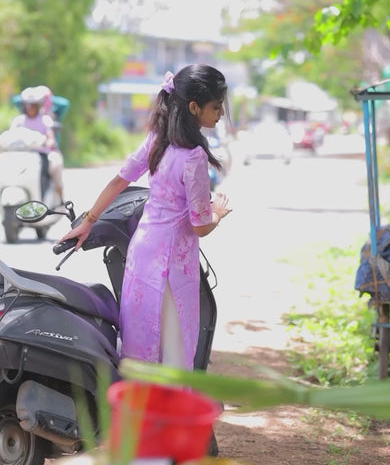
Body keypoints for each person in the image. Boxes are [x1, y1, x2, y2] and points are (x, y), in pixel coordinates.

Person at [59, 64, 232, 370]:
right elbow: (200, 225)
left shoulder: (157, 139)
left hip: (143, 252)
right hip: (174, 265)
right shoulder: (194, 157)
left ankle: (135, 406)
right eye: (216, 107)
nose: (220, 114)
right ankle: (169, 411)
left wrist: (88, 221)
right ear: (194, 107)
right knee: (174, 345)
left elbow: (118, 181)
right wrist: (217, 213)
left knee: (141, 336)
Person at [10, 86, 64, 203]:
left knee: (55, 166)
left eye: (33, 104)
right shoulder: (19, 120)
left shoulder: (45, 119)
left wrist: (49, 142)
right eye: (28, 104)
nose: (30, 107)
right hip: (22, 155)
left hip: (42, 154)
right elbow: (11, 135)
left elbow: (50, 137)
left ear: (38, 105)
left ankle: (60, 199)